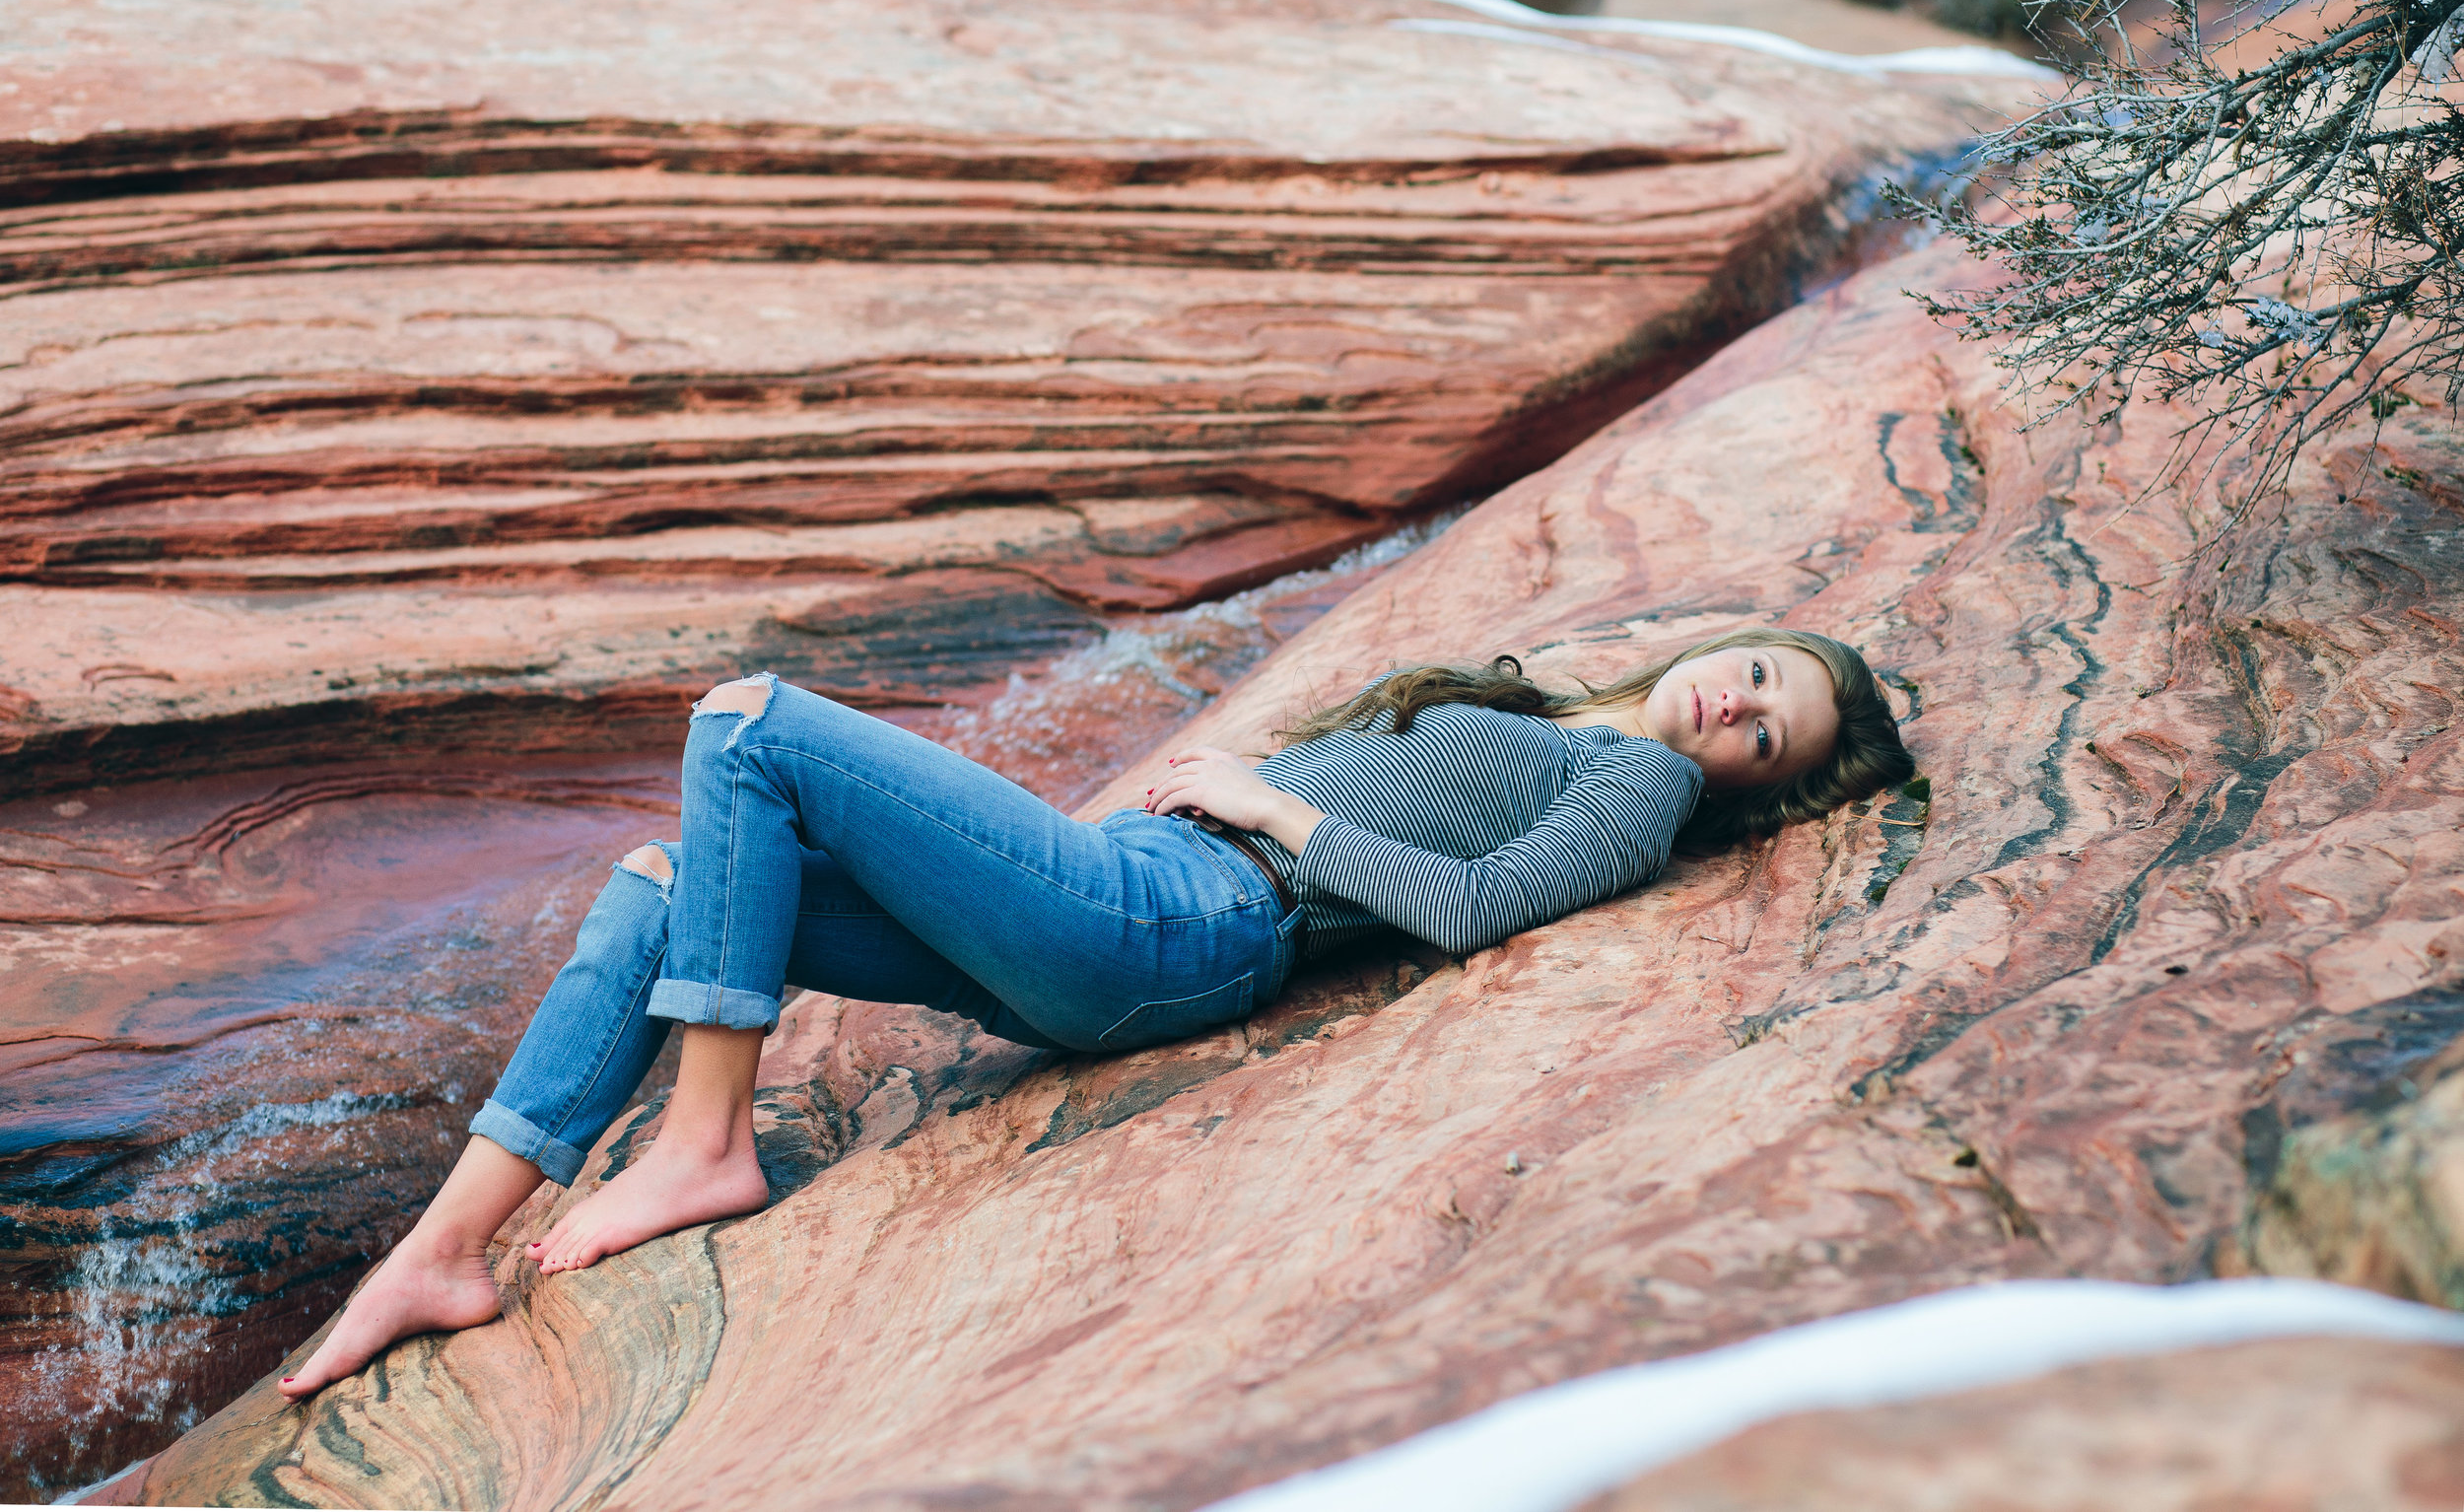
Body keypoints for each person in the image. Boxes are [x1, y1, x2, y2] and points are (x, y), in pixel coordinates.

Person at [278, 626, 1912, 1400]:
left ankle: (704, 1142)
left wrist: (1273, 818)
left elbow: (1477, 914)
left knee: (748, 722)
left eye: (1768, 738)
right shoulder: (1582, 712)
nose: (1738, 711)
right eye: (1762, 672)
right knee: (661, 880)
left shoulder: (1635, 784)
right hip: (1134, 893)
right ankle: (439, 1252)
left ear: (1744, 787)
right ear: (1730, 639)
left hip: (1186, 921)